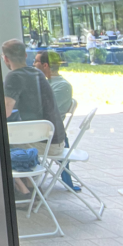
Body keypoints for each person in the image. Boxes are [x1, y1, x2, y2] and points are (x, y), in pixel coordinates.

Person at [0, 40, 65, 156]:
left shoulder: (14, 76)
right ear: (25, 55)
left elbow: (5, 112)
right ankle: (26, 174)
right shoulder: (37, 73)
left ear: (6, 58)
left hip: (43, 144)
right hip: (56, 140)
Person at [33, 50, 79, 192]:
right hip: (41, 131)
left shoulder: (62, 86)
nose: (33, 65)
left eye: (36, 62)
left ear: (45, 65)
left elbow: (49, 114)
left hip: (50, 135)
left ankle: (27, 184)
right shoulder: (46, 83)